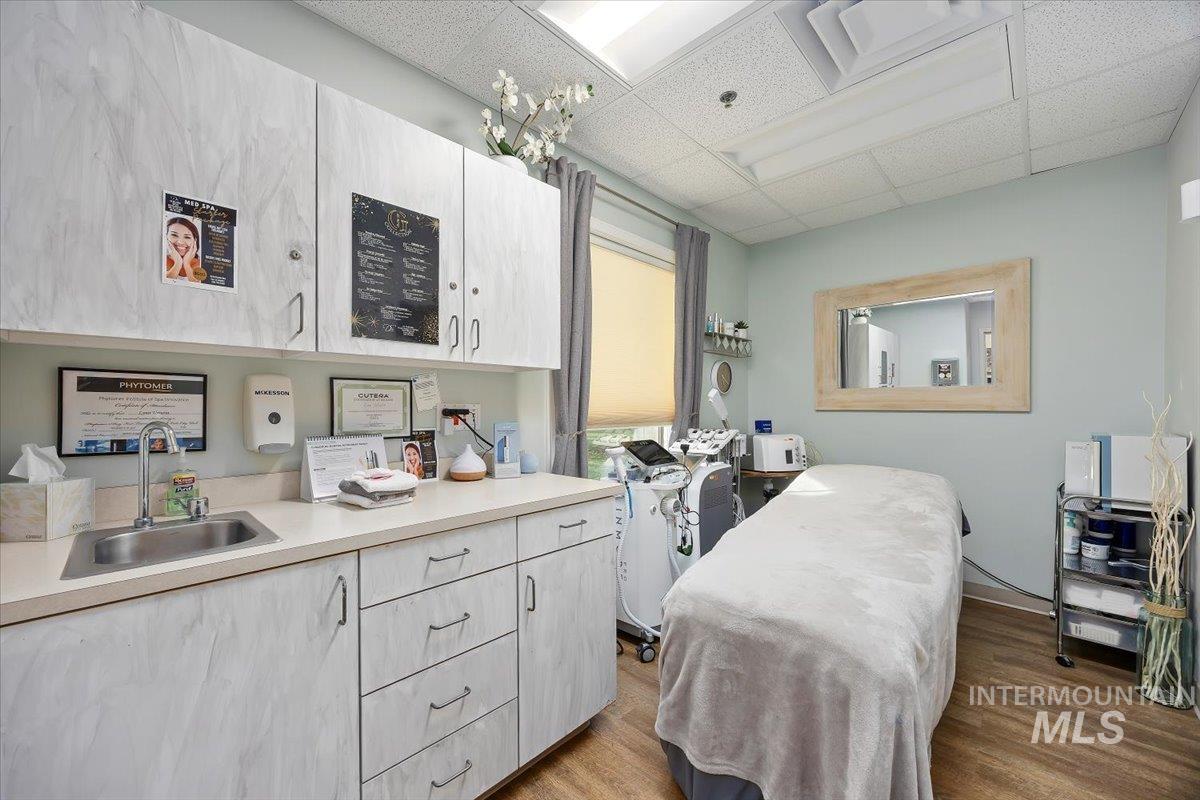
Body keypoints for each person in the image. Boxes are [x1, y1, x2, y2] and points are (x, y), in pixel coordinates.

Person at [164, 217, 201, 282]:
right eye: (174, 235)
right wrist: (178, 263)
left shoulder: (201, 263)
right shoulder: (161, 260)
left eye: (187, 237)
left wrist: (186, 264)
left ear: (195, 240)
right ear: (166, 236)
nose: (180, 242)